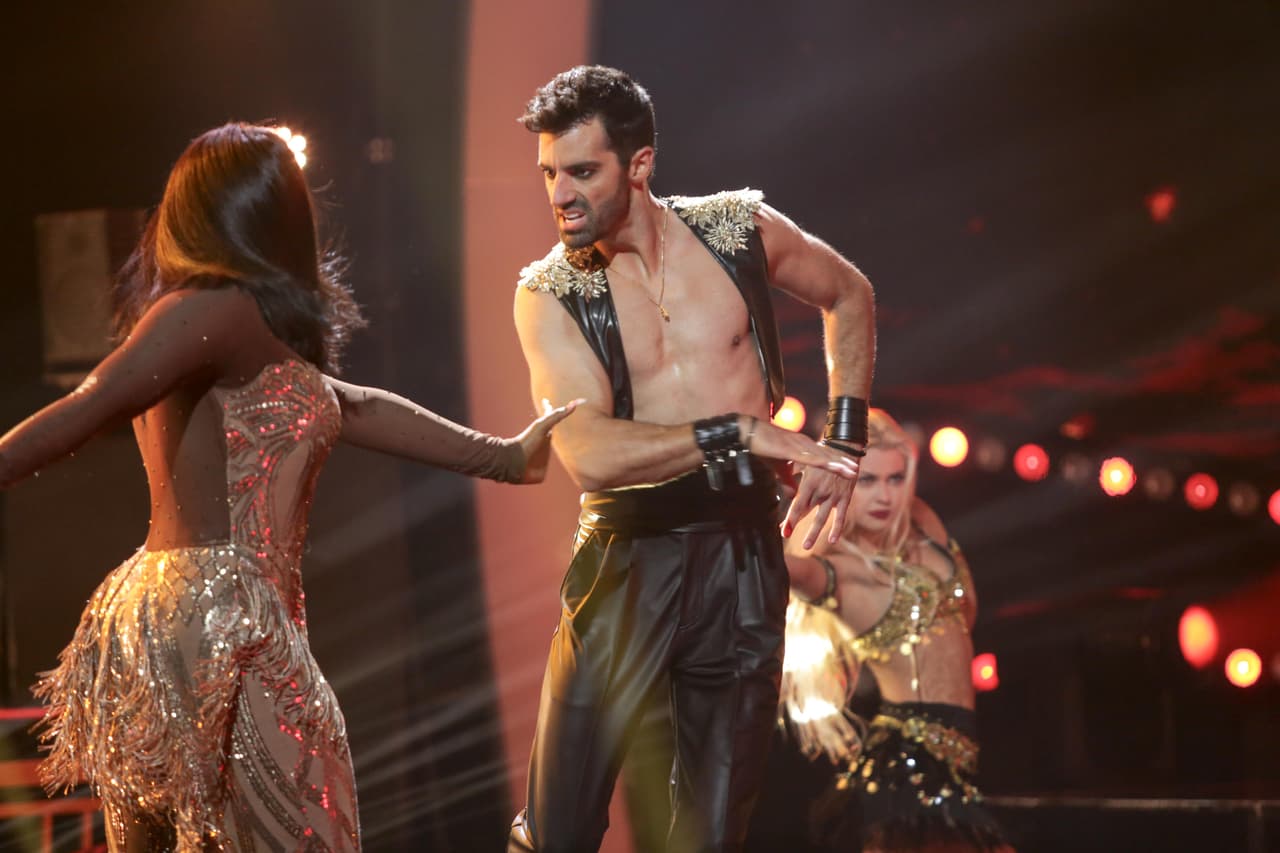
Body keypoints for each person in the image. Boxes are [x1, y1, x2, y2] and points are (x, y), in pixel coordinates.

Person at [0, 123, 579, 852]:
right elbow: (88, 404)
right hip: (216, 612)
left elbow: (356, 403)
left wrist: (506, 457)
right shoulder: (210, 309)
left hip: (193, 611)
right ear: (270, 214)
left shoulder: (232, 322)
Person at [507, 65, 877, 853]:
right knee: (559, 829)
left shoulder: (736, 229)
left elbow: (849, 293)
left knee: (711, 831)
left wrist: (843, 442)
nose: (559, 193)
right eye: (548, 172)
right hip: (624, 557)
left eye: (581, 171)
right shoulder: (547, 293)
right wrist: (731, 433)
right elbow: (589, 454)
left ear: (638, 165)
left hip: (741, 554)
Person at [783, 409, 1013, 852]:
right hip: (906, 771)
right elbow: (776, 565)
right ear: (841, 482)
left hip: (954, 767)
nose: (885, 495)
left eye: (895, 478)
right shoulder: (838, 570)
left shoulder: (922, 525)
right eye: (866, 481)